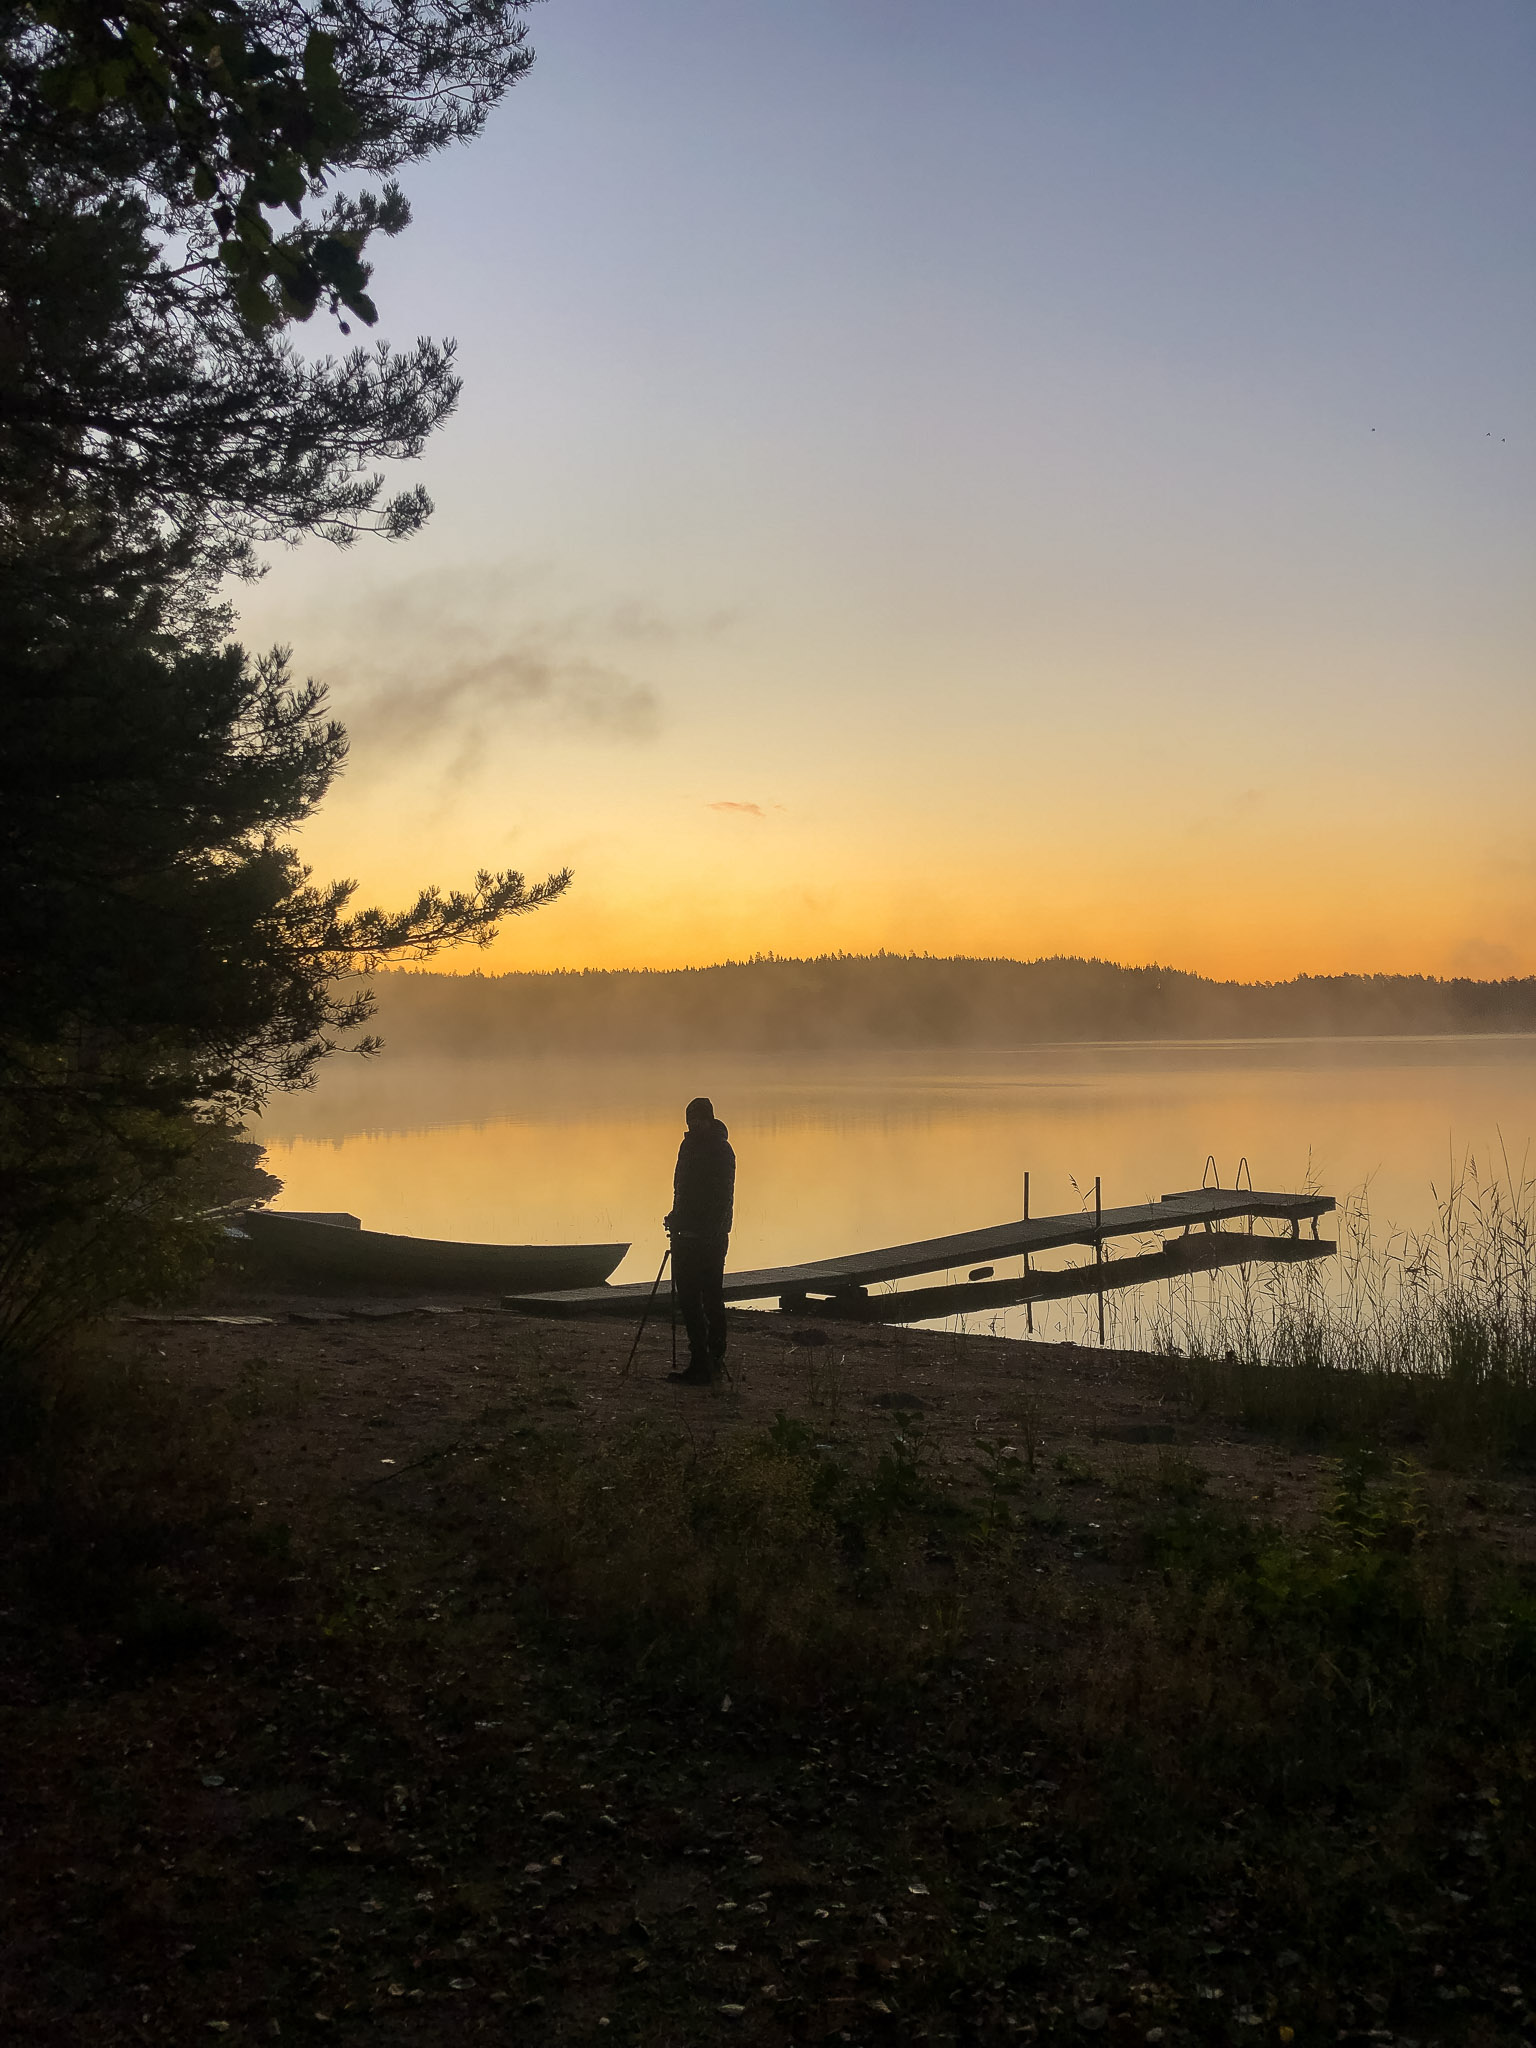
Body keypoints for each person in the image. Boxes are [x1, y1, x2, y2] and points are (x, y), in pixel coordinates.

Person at [664, 1096, 735, 1385]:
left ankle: (714, 1358)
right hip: (685, 1235)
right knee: (689, 1301)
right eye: (690, 1120)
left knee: (711, 1298)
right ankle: (699, 1360)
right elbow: (682, 1189)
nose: (694, 1124)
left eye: (698, 1119)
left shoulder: (721, 1150)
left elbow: (718, 1197)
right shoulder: (687, 1146)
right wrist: (675, 1215)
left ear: (709, 1119)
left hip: (710, 1237)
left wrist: (703, 1227)